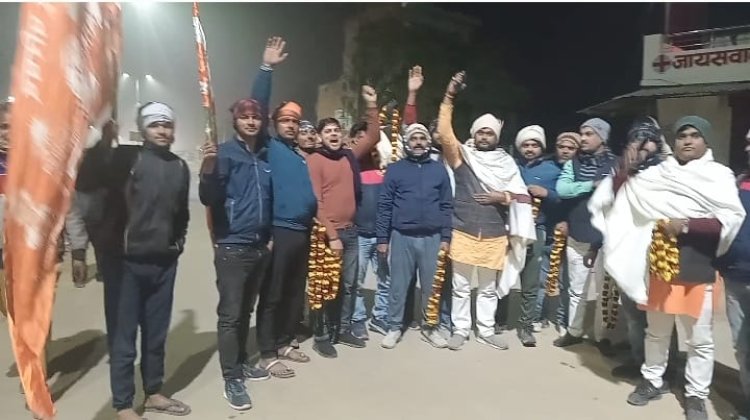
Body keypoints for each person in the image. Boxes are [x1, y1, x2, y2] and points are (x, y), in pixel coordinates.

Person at [589, 116, 745, 420]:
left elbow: (729, 220)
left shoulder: (718, 175)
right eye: (682, 135)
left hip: (696, 266)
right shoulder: (658, 174)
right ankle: (653, 380)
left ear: (706, 141)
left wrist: (686, 225)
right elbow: (626, 198)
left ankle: (696, 395)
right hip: (658, 265)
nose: (687, 140)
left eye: (694, 135)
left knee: (699, 339)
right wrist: (625, 170)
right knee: (657, 332)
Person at [197, 37, 288, 410]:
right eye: (245, 116)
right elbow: (208, 198)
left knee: (246, 311)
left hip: (259, 246)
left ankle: (240, 363)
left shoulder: (263, 155)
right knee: (231, 316)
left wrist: (266, 69)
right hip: (232, 248)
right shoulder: (224, 154)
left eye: (256, 117)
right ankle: (231, 378)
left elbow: (263, 102)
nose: (251, 120)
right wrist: (208, 170)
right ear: (234, 121)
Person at [91, 102, 191, 420]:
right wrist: (102, 143)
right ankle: (123, 405)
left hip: (163, 263)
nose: (162, 130)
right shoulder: (125, 158)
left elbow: (182, 213)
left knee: (156, 334)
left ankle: (153, 392)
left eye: (167, 125)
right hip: (125, 265)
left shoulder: (179, 166)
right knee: (123, 338)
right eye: (154, 125)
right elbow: (89, 177)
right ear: (143, 128)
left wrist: (177, 244)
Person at [437, 71, 535, 351]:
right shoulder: (462, 158)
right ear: (474, 134)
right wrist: (450, 95)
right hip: (463, 229)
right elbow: (444, 133)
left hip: (494, 234)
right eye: (480, 131)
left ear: (496, 137)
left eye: (489, 132)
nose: (484, 136)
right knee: (460, 286)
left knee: (488, 288)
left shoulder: (506, 164)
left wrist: (502, 196)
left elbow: (523, 197)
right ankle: (460, 329)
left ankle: (486, 330)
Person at [306, 85, 380, 357]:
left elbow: (373, 136)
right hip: (328, 235)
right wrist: (332, 235)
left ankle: (344, 328)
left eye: (336, 130)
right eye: (327, 131)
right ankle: (322, 336)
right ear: (320, 137)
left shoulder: (349, 156)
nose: (333, 134)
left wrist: (371, 105)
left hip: (352, 232)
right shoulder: (315, 160)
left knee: (348, 286)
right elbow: (316, 201)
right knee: (324, 287)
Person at [353, 65, 423, 338]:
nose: (369, 144)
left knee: (386, 279)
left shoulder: (392, 169)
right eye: (361, 140)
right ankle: (357, 319)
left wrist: (412, 95)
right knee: (355, 281)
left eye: (372, 141)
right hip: (359, 235)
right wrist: (370, 106)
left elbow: (408, 128)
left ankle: (380, 318)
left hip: (385, 235)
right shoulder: (352, 165)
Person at [376, 123, 453, 349]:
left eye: (422, 138)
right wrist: (382, 239)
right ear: (406, 143)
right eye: (413, 139)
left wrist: (446, 237)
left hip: (432, 237)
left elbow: (447, 205)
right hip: (402, 236)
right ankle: (394, 327)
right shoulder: (395, 169)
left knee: (432, 286)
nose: (418, 142)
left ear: (428, 142)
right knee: (398, 285)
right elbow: (385, 205)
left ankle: (430, 327)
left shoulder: (438, 170)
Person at [554, 118, 617, 350]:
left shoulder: (616, 163)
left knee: (605, 291)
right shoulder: (574, 163)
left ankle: (603, 336)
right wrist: (591, 185)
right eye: (582, 133)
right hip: (579, 234)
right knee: (577, 289)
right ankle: (575, 331)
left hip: (608, 239)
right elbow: (562, 189)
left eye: (589, 134)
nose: (583, 138)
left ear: (602, 138)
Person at [514, 125, 562, 347]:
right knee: (502, 277)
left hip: (537, 229)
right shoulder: (510, 166)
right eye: (526, 145)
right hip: (511, 229)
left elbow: (563, 199)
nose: (530, 149)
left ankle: (526, 326)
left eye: (534, 145)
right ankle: (498, 320)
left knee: (531, 281)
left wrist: (547, 193)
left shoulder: (552, 169)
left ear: (541, 147)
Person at [717, 128, 750, 420]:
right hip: (736, 277)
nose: (748, 149)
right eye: (748, 142)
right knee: (742, 346)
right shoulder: (738, 184)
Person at [535, 132, 578, 334]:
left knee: (566, 281)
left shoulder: (582, 170)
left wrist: (549, 194)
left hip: (573, 232)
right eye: (562, 146)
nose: (565, 151)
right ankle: (538, 316)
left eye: (571, 148)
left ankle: (563, 319)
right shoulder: (546, 167)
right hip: (547, 228)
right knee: (542, 278)